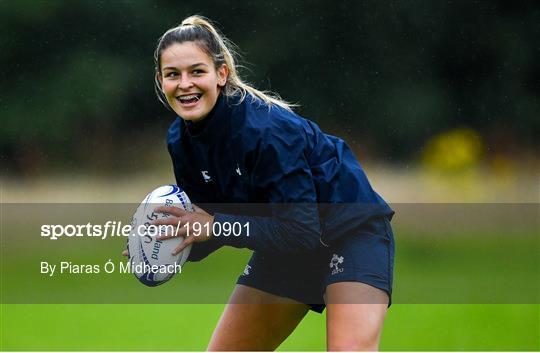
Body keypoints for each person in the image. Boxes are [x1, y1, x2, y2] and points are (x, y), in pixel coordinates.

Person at [135, 15, 395, 351]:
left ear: (221, 74)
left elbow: (296, 229)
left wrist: (213, 227)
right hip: (284, 243)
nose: (185, 84)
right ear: (161, 81)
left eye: (197, 71)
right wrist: (162, 245)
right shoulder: (181, 141)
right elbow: (210, 224)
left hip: (349, 232)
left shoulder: (268, 131)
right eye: (173, 75)